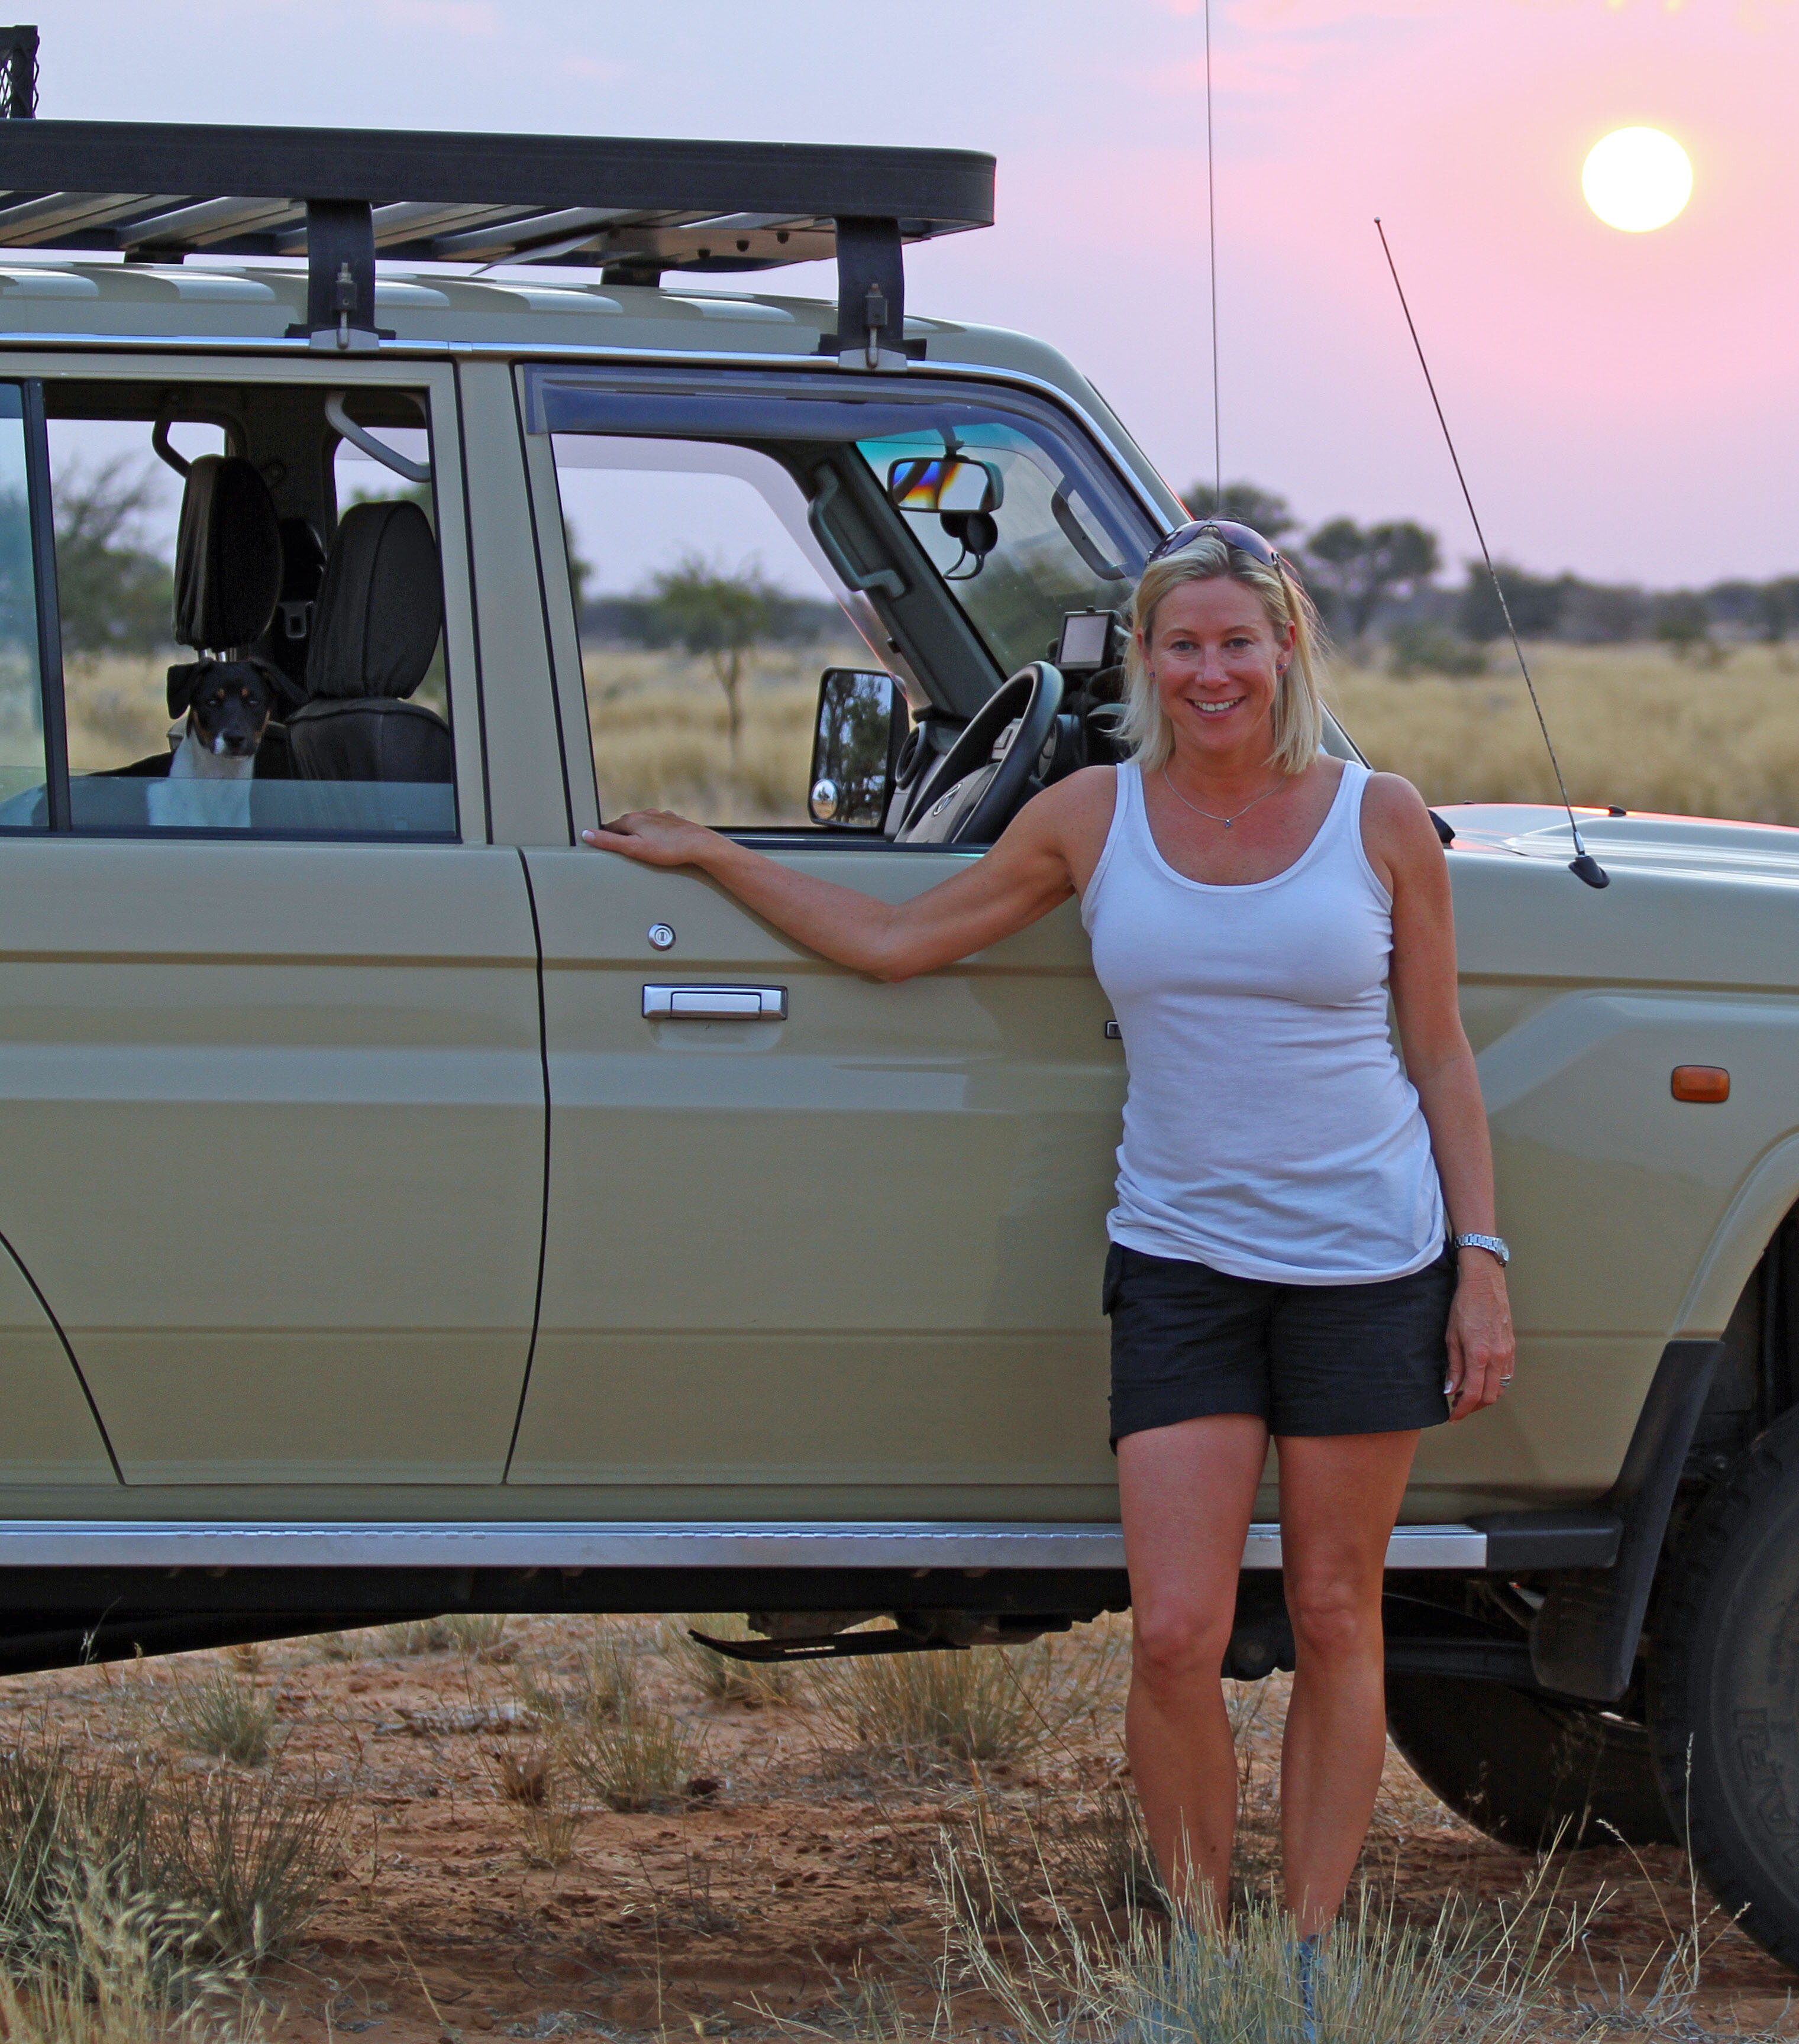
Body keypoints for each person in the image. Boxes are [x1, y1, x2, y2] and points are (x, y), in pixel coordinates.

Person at [583, 520, 1517, 1968]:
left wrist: (1483, 1263)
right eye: (1184, 645)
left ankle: (1312, 1953)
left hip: (1364, 1262)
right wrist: (712, 855)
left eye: (1239, 643)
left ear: (1286, 652)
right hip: (1184, 1263)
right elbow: (900, 943)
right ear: (1144, 659)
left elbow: (1442, 1054)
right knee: (1172, 1633)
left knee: (1337, 1613)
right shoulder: (1092, 815)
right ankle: (1201, 1957)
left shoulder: (1378, 817)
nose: (1214, 672)